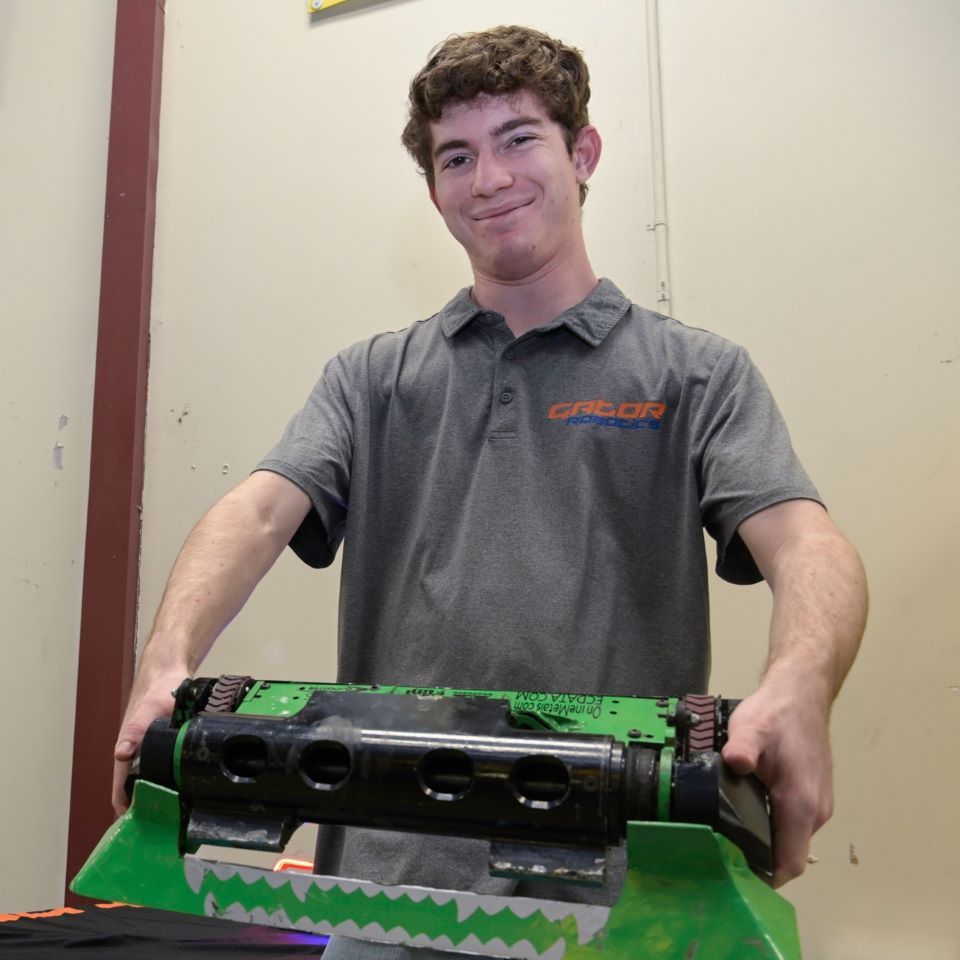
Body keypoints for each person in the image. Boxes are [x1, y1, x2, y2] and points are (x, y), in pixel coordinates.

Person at [112, 24, 867, 959]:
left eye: (519, 139)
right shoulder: (371, 380)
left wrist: (801, 685)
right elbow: (259, 510)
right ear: (434, 191)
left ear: (582, 153)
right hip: (386, 896)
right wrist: (164, 663)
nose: (490, 178)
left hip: (619, 905)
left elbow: (807, 542)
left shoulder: (696, 376)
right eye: (457, 156)